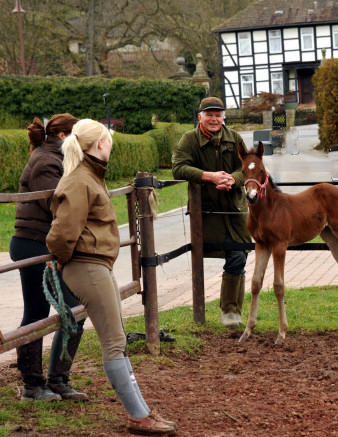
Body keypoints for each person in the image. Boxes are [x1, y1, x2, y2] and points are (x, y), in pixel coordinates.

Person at [46, 119, 176, 435]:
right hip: (87, 267)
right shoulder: (80, 180)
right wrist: (62, 261)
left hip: (96, 266)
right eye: (109, 138)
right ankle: (139, 416)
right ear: (100, 143)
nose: (111, 143)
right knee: (115, 343)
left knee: (117, 340)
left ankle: (141, 411)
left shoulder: (90, 175)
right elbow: (62, 233)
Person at [9, 113, 89, 402]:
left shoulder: (56, 158)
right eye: (78, 135)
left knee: (74, 310)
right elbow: (58, 204)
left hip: (42, 242)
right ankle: (33, 385)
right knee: (38, 313)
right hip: (34, 244)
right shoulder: (46, 161)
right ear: (64, 136)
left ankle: (57, 380)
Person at [172, 96, 251, 329]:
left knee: (239, 254)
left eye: (218, 115)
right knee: (229, 255)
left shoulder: (234, 138)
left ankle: (231, 312)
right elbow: (178, 168)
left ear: (223, 117)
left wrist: (232, 180)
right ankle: (228, 312)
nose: (214, 119)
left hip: (235, 211)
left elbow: (245, 167)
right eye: (209, 114)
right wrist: (210, 176)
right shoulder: (189, 139)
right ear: (200, 117)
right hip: (206, 213)